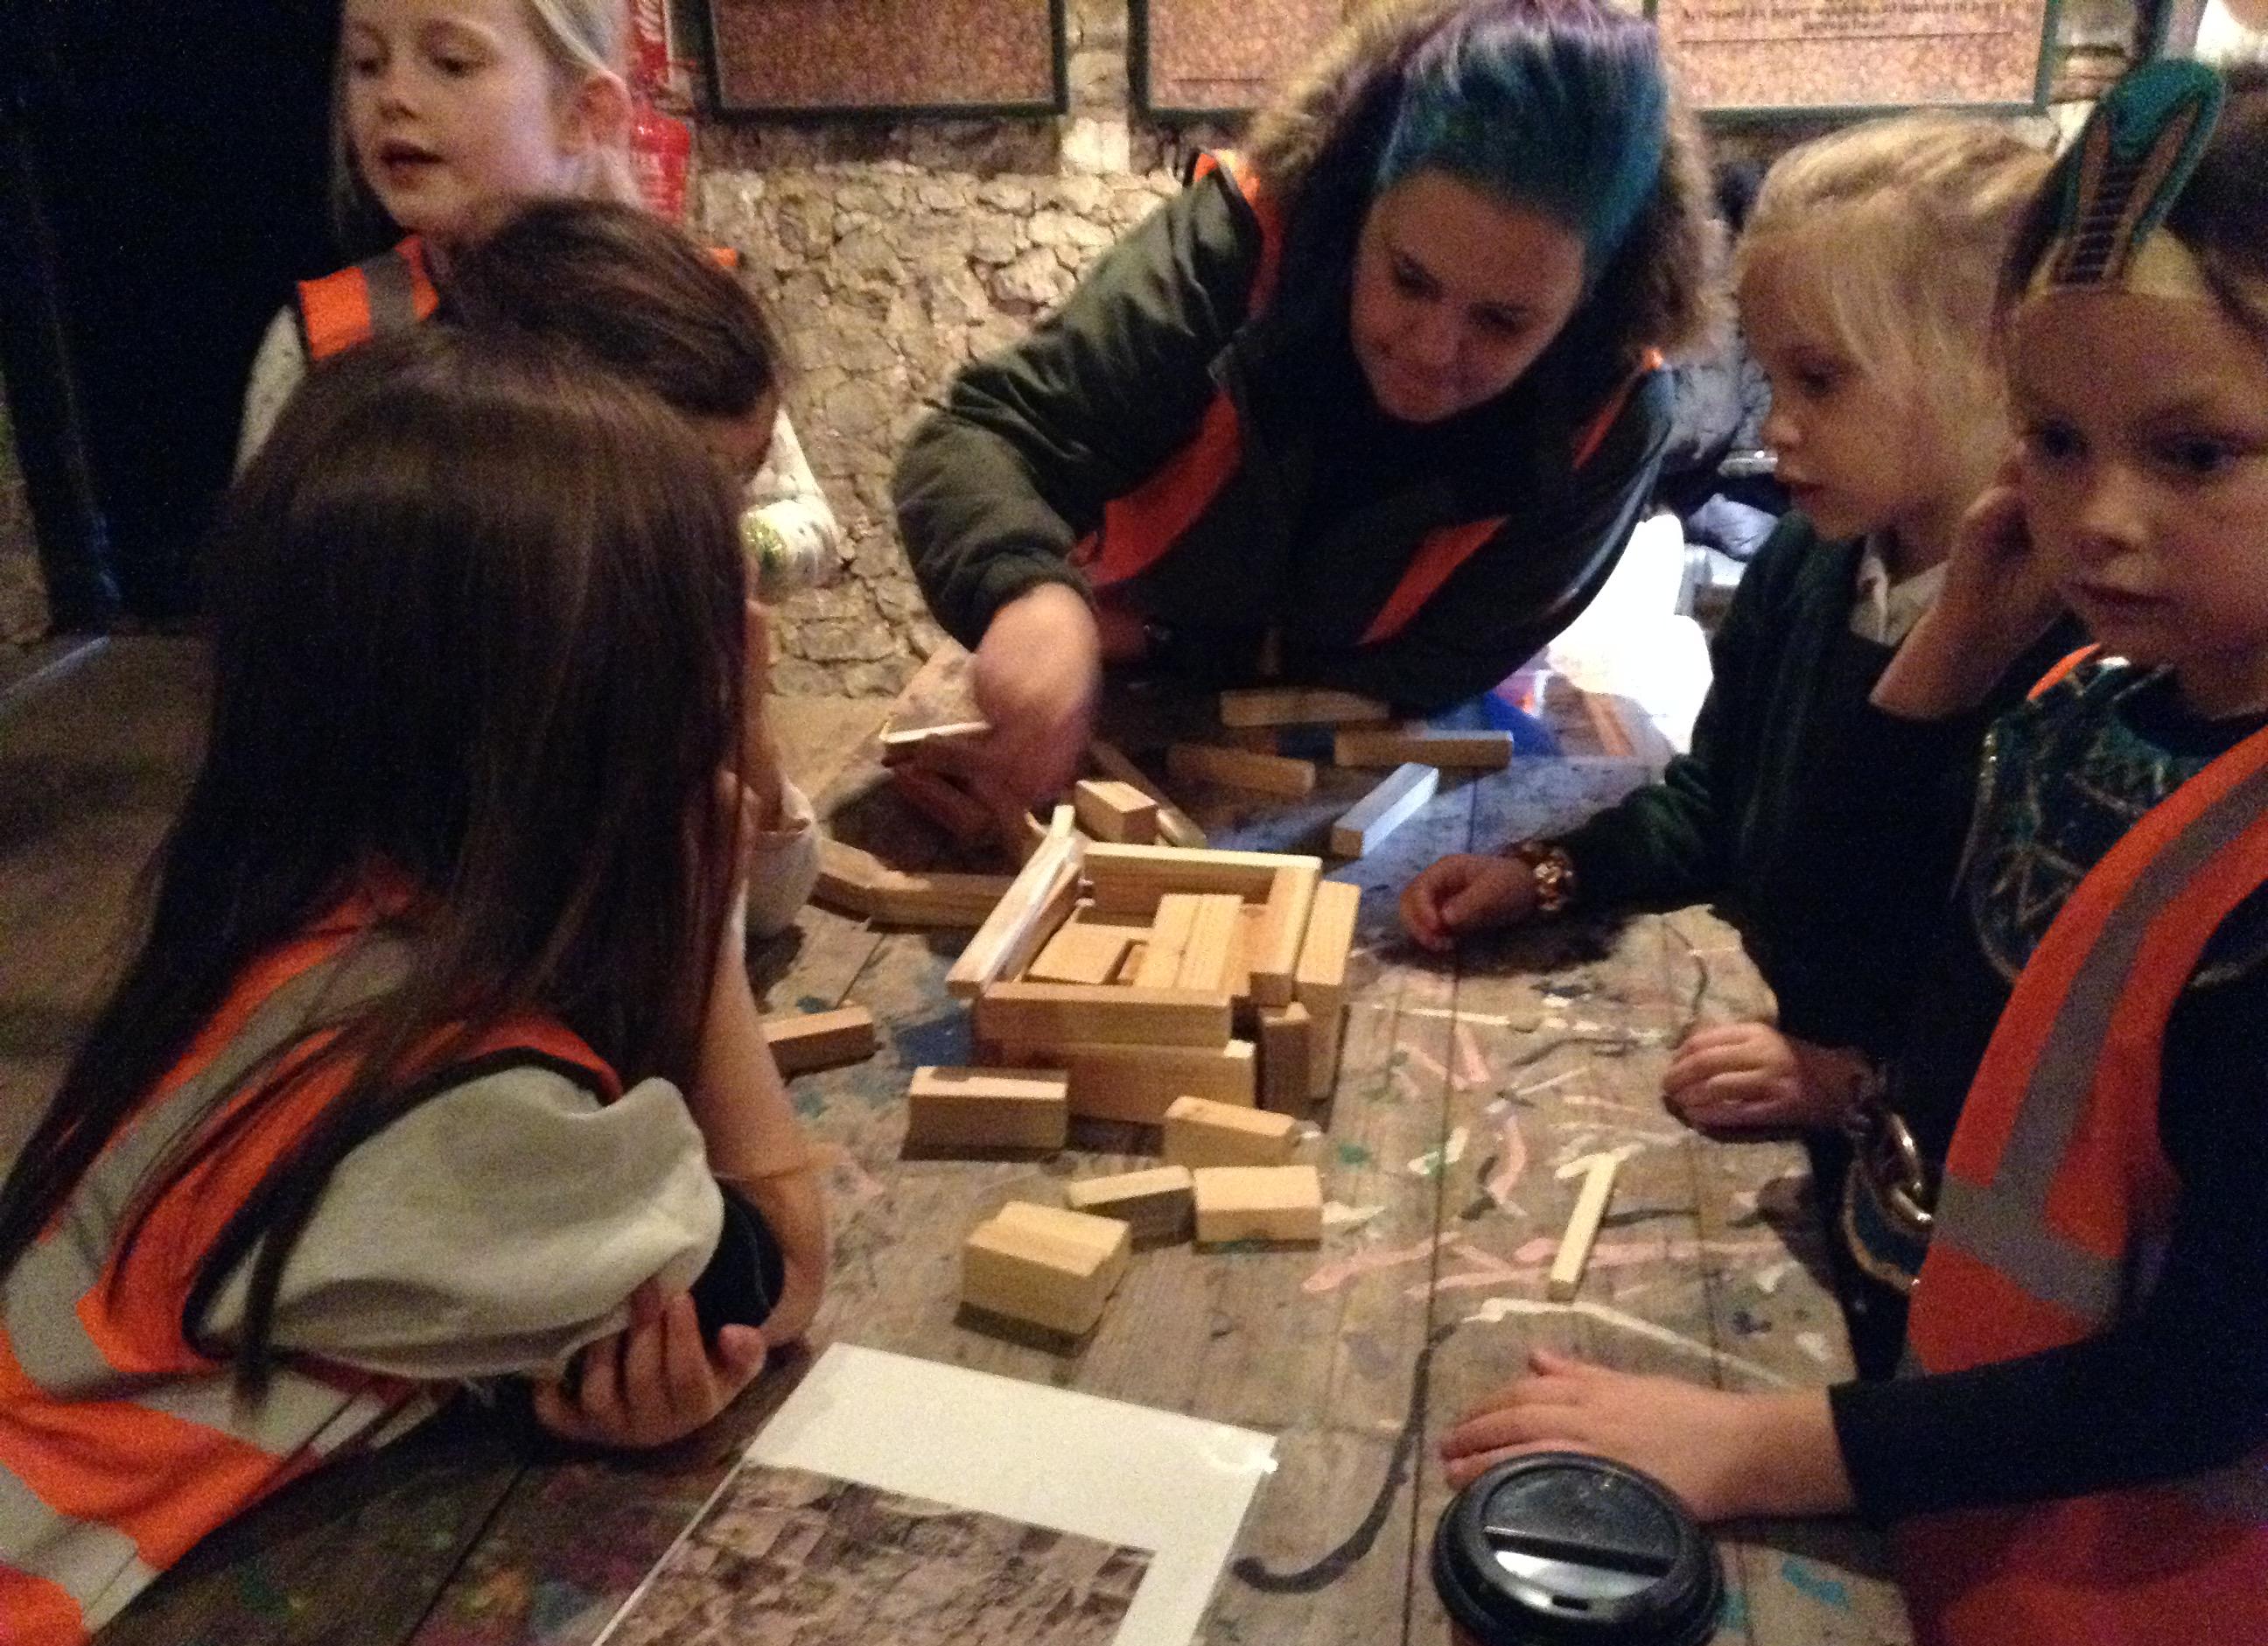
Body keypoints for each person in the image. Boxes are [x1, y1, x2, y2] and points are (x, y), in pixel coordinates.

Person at [1438, 60, 2268, 1646]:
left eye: (2195, 453)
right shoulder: (2092, 704)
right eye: (2054, 439)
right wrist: (1950, 648)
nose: (2098, 516)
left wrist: (1766, 1447)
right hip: (1960, 1468)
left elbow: (2207, 1377)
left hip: (2141, 1591)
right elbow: (1817, 952)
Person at [0, 333, 830, 1646]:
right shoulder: (454, 1100)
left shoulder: (302, 933)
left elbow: (418, 1289)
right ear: (595, 732)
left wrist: (547, 1368)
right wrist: (700, 922)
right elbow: (776, 1271)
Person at [1402, 116, 2068, 1346]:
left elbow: (2049, 1025)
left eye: (1821, 381)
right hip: (1793, 1105)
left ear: (1992, 366)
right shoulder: (1813, 568)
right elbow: (1715, 800)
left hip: (1935, 1224)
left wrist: (1854, 1077)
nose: (1774, 429)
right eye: (1772, 379)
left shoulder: (2075, 660)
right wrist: (1548, 872)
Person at [893, 0, 1718, 808]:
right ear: (1363, 205)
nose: (1433, 350)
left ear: (1590, 298)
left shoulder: (1614, 413)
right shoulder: (1239, 245)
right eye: (1409, 279)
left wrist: (1157, 639)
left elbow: (1441, 665)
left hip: (1314, 751)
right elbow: (982, 440)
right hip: (1119, 696)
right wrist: (1031, 597)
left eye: (1502, 321)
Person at [234, 0, 841, 589]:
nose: (393, 95)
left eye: (452, 62)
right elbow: (258, 576)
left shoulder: (662, 304)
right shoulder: (332, 330)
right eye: (367, 62)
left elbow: (804, 519)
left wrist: (725, 552)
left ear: (583, 110)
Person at [438, 197, 822, 935]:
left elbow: (771, 902)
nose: (721, 535)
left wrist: (743, 724)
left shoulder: (639, 636)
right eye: (695, 491)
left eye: (736, 489)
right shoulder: (489, 679)